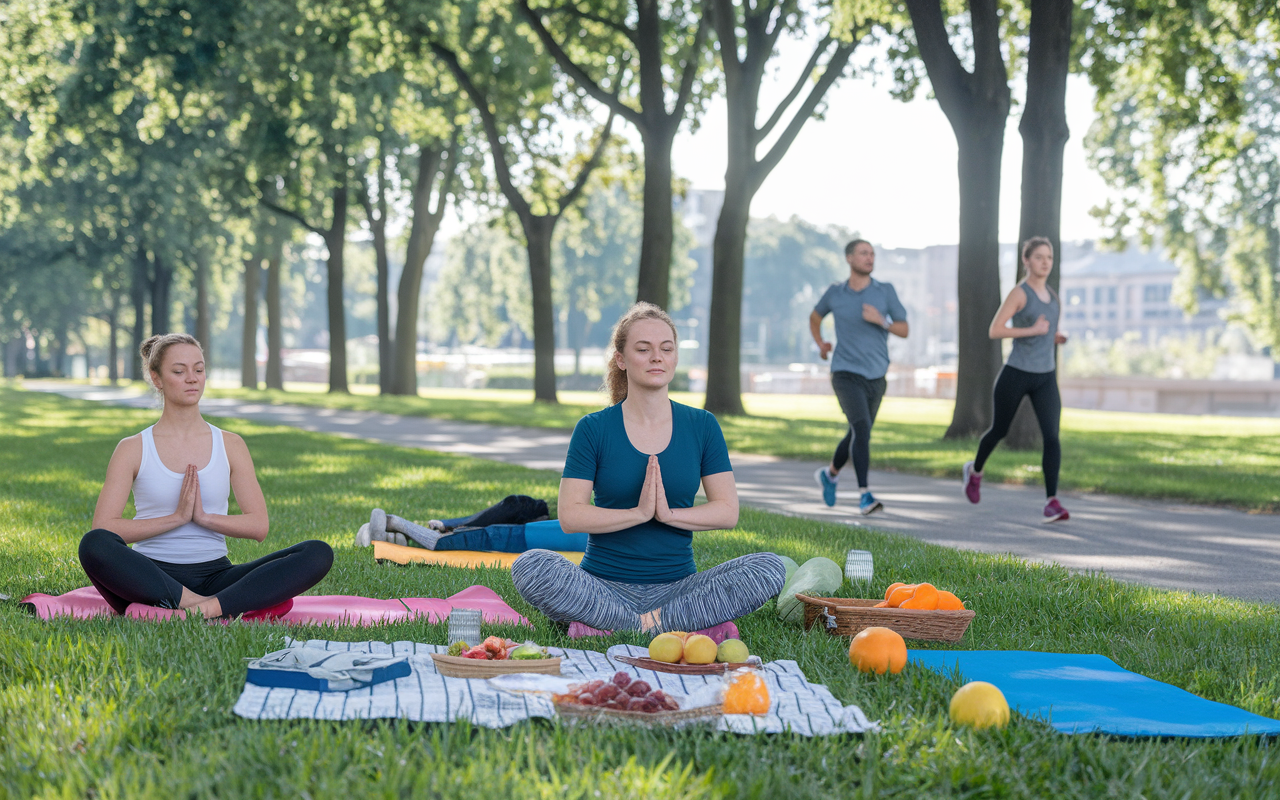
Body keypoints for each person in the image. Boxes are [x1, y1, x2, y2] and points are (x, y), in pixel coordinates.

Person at [511, 303, 785, 635]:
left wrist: (668, 515)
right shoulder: (593, 428)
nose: (657, 357)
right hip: (602, 587)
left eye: (666, 349)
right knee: (532, 565)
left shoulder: (702, 425)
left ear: (674, 357)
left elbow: (727, 511)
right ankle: (667, 625)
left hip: (677, 589)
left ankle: (618, 624)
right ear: (621, 359)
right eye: (644, 349)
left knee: (769, 567)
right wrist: (639, 513)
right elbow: (571, 516)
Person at [78, 333, 333, 618]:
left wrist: (204, 518)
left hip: (215, 578)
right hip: (148, 576)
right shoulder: (133, 448)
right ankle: (207, 606)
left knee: (317, 552)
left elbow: (258, 526)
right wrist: (176, 518)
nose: (192, 378)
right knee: (94, 545)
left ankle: (197, 609)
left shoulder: (231, 444)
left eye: (198, 370)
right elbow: (104, 528)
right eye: (179, 371)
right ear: (156, 378)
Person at [962, 236, 1070, 522]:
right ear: (1026, 261)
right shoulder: (1019, 294)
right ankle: (975, 472)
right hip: (1017, 373)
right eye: (1039, 257)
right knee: (998, 430)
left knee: (1052, 437)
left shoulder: (1053, 296)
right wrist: (1032, 330)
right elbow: (995, 330)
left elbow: (1046, 331)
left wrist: (1054, 336)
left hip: (1045, 376)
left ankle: (1051, 501)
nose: (1045, 262)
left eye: (1049, 257)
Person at [810, 239, 909, 514]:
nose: (870, 258)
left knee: (857, 431)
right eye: (864, 253)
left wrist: (882, 321)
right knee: (862, 428)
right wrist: (821, 343)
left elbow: (904, 329)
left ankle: (830, 474)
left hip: (877, 375)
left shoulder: (885, 291)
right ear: (849, 258)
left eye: (873, 254)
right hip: (844, 372)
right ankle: (865, 494)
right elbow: (815, 317)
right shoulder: (835, 293)